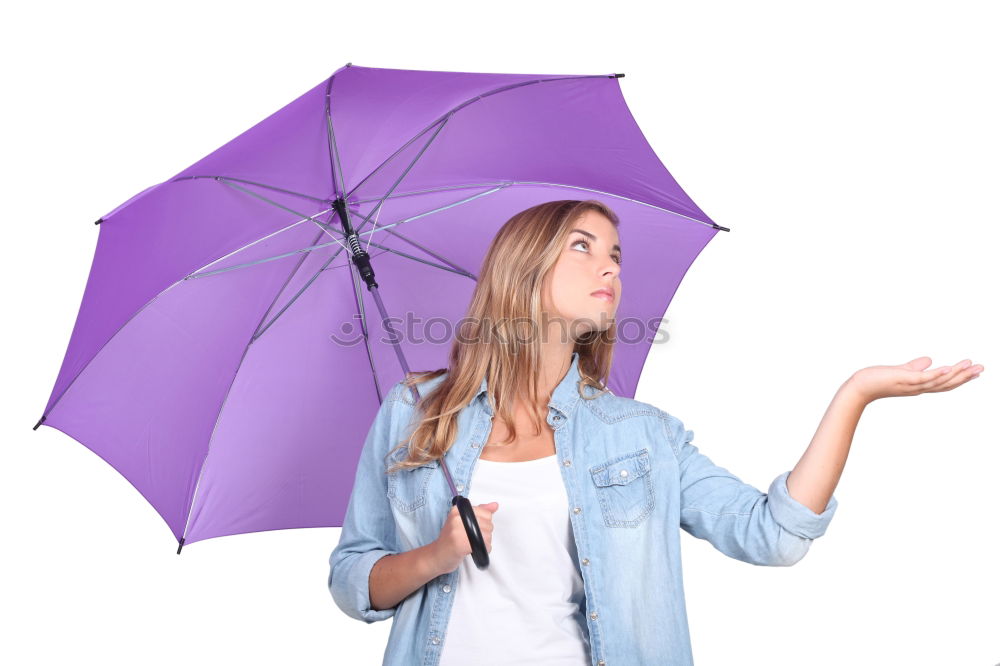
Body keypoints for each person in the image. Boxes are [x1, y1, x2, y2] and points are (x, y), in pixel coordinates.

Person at [328, 199, 982, 666]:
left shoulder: (639, 437)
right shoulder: (417, 411)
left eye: (615, 253)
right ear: (521, 268)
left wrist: (855, 395)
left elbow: (774, 537)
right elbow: (354, 578)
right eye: (582, 247)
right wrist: (435, 557)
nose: (609, 267)